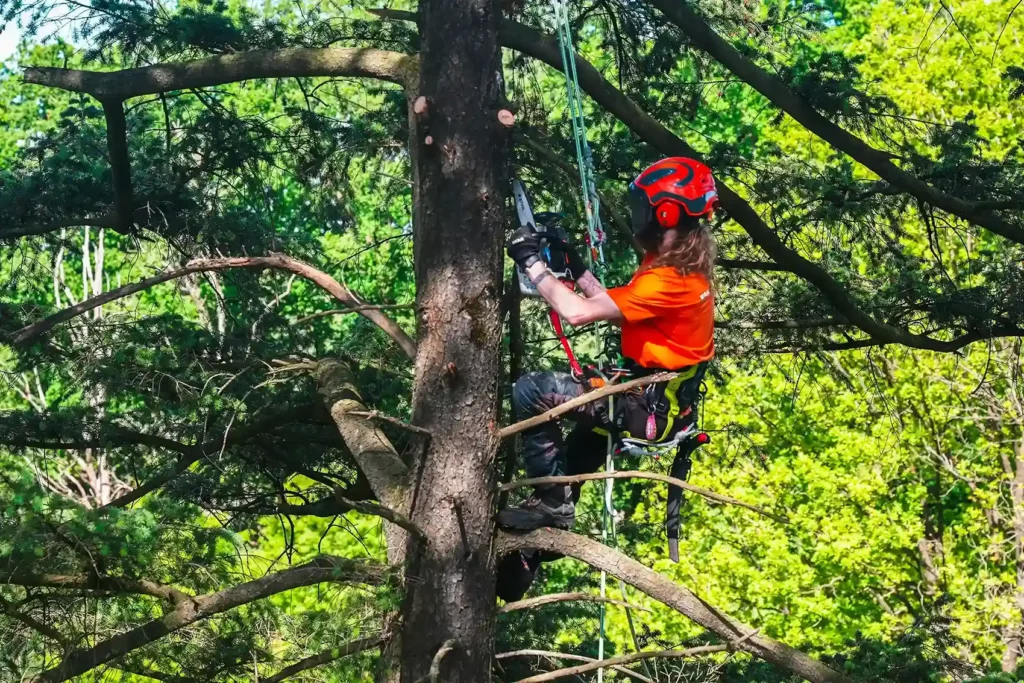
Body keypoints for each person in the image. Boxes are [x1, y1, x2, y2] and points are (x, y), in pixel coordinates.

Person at [497, 156, 718, 532]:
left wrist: (531, 262)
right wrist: (574, 264)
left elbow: (579, 314)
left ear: (664, 214)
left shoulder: (670, 279)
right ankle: (526, 558)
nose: (637, 217)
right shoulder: (672, 265)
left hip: (645, 407)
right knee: (572, 466)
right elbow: (614, 306)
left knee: (532, 391)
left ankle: (551, 506)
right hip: (643, 396)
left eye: (642, 208)